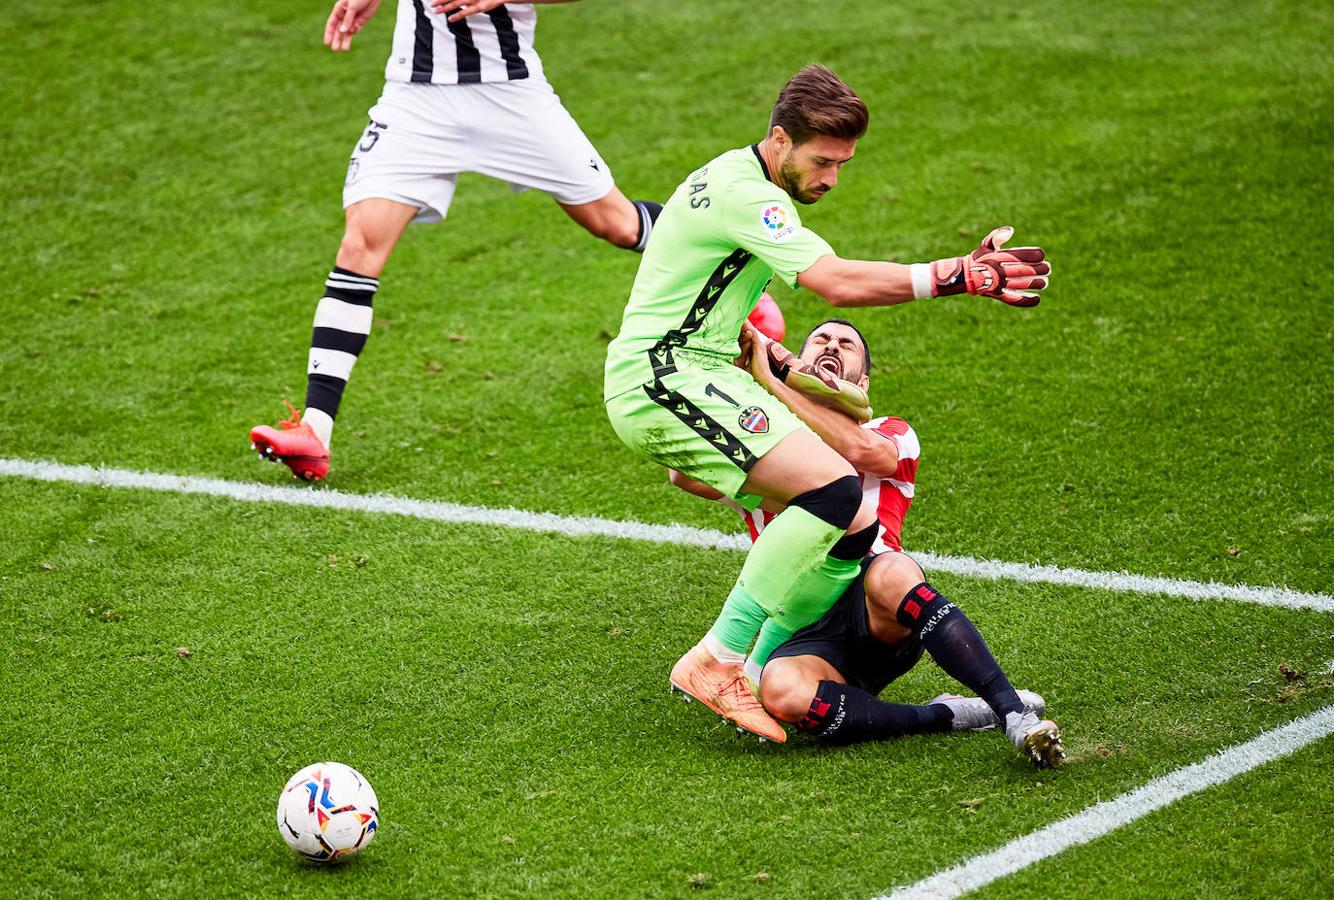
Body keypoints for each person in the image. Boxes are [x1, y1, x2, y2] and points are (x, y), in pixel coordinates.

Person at [603, 64, 1050, 744]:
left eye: (843, 164)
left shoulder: (727, 177)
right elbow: (833, 282)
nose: (833, 178)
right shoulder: (746, 192)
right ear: (780, 141)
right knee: (838, 492)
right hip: (662, 376)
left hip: (687, 368)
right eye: (823, 161)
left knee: (842, 497)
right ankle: (717, 661)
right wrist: (959, 275)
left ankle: (734, 658)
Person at [250, 0, 663, 482]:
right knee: (359, 246)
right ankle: (314, 432)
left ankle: (734, 279)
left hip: (509, 94)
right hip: (415, 98)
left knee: (616, 224)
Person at [673, 318, 1063, 765]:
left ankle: (1014, 714)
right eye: (820, 339)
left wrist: (773, 383)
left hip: (878, 606)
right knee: (780, 694)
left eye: (846, 344)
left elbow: (862, 453)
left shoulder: (890, 430)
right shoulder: (766, 454)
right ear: (799, 363)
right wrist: (729, 385)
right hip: (803, 630)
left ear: (862, 382)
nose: (832, 344)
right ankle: (946, 715)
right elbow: (683, 473)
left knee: (894, 571)